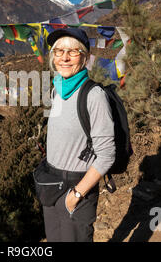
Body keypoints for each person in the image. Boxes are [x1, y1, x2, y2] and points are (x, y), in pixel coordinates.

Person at [43, 28, 116, 242]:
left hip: (76, 188)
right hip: (51, 185)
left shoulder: (94, 96)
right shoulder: (56, 90)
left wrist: (75, 196)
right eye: (58, 51)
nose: (64, 58)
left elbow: (106, 155)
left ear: (84, 58)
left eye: (73, 52)